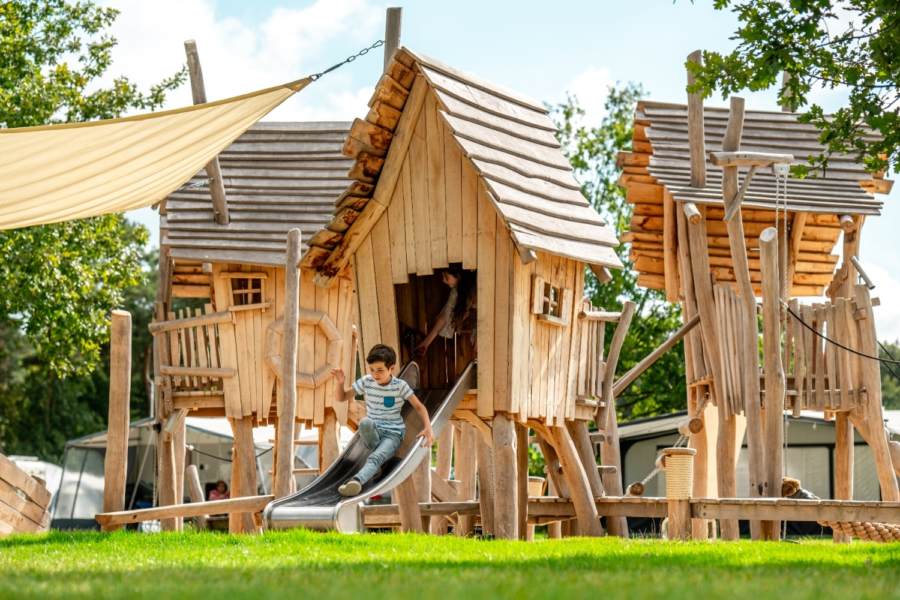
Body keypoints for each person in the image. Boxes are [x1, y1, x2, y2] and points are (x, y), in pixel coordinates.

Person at [332, 344, 435, 497]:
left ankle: (357, 481)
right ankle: (379, 461)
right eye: (372, 370)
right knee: (365, 423)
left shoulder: (400, 386)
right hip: (374, 431)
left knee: (375, 457)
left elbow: (419, 407)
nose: (375, 374)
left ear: (391, 368)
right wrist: (340, 383)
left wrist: (428, 428)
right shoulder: (367, 381)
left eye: (380, 370)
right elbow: (342, 397)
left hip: (393, 434)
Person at [415, 267, 477, 357]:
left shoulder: (477, 285)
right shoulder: (456, 291)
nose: (443, 280)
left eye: (446, 277)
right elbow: (445, 316)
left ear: (458, 276)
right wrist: (425, 343)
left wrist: (480, 333)